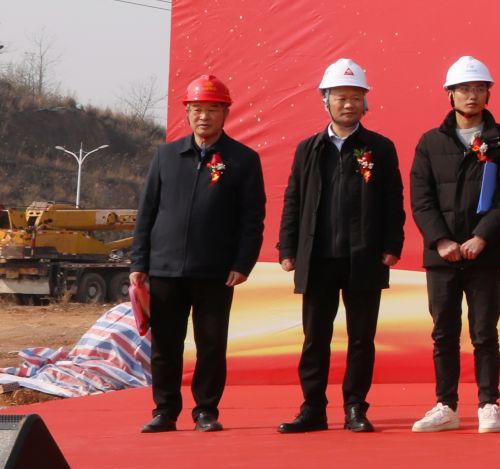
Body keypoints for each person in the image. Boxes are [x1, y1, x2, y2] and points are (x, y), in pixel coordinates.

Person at [275, 59, 404, 434]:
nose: (349, 104)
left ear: (366, 103)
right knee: (315, 337)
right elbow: (294, 199)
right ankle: (313, 408)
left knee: (361, 338)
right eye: (341, 97)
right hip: (317, 258)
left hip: (364, 257)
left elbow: (393, 200)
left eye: (356, 97)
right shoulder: (309, 148)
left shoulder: (380, 148)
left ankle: (355, 407)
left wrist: (392, 244)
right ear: (325, 101)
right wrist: (287, 247)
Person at [131, 74, 266, 433]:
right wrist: (139, 262)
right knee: (165, 346)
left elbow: (252, 219)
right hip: (164, 269)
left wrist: (243, 263)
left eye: (211, 110)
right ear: (187, 113)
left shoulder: (243, 159)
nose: (203, 117)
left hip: (215, 272)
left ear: (225, 113)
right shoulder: (165, 156)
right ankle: (165, 410)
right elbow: (146, 213)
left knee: (211, 345)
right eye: (196, 109)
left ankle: (206, 410)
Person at [408, 55, 500, 434]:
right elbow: (421, 199)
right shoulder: (430, 142)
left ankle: (488, 403)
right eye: (463, 89)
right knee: (443, 332)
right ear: (450, 94)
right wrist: (441, 240)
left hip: (484, 254)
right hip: (442, 256)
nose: (471, 95)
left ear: (488, 94)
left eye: (478, 88)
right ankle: (446, 405)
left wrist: (482, 237)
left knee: (484, 332)